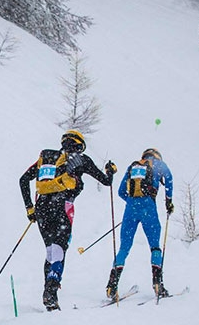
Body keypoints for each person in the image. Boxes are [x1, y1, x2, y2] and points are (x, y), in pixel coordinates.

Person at [19, 130, 116, 310]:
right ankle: (51, 291)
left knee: (51, 250)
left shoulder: (48, 158)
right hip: (62, 206)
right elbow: (105, 181)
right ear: (80, 145)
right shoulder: (81, 159)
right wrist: (110, 172)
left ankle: (49, 294)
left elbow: (23, 180)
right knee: (59, 250)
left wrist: (29, 208)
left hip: (41, 208)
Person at [105, 148, 174, 300]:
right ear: (157, 156)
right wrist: (168, 201)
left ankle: (112, 285)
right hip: (148, 207)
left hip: (130, 209)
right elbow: (169, 178)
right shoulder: (158, 164)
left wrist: (132, 204)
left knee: (124, 247)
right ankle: (158, 284)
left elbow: (121, 191)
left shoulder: (133, 167)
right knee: (155, 246)